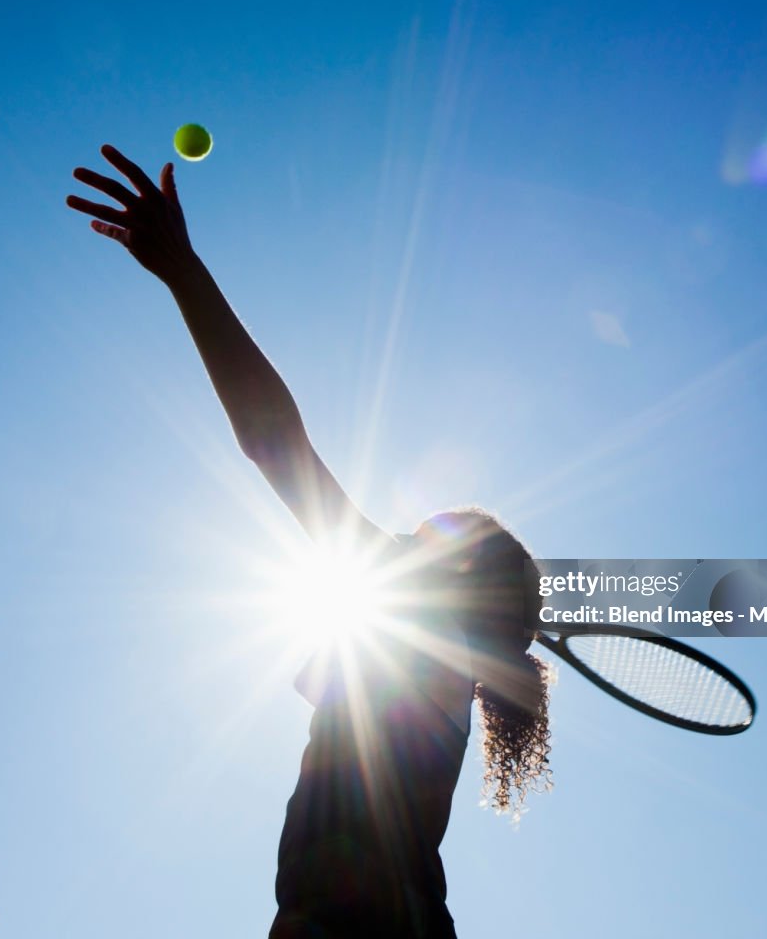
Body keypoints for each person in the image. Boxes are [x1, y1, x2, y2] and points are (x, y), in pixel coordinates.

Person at [66, 145, 553, 937]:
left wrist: (186, 274)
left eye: (422, 539)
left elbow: (275, 444)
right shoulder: (438, 668)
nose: (396, 540)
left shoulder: (425, 640)